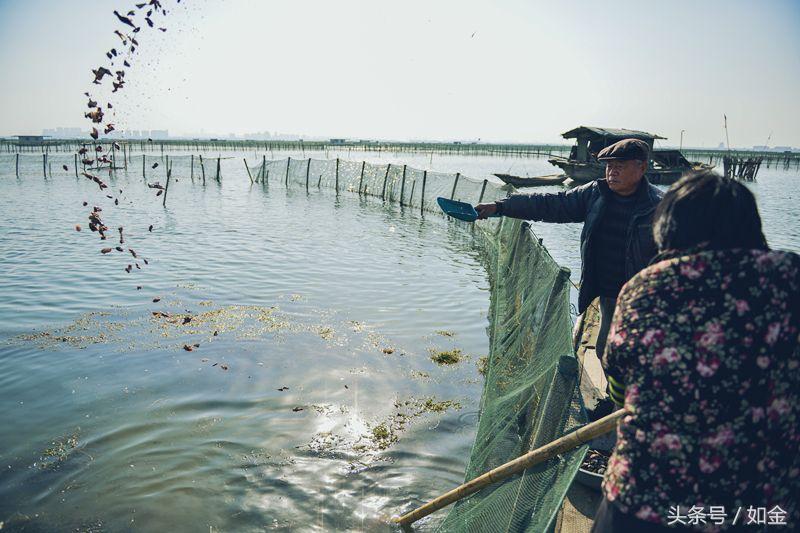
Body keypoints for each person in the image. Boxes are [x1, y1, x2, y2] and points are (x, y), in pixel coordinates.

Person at [594, 171, 799, 531]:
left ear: (668, 228)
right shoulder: (789, 277)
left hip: (646, 500)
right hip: (760, 506)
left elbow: (619, 382)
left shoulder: (643, 288)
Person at [476, 138, 663, 363]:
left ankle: (625, 396)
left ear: (642, 167)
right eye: (609, 166)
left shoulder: (660, 206)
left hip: (641, 293)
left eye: (620, 166)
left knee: (625, 350)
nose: (612, 171)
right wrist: (501, 207)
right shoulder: (596, 193)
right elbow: (551, 204)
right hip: (607, 290)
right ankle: (615, 397)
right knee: (607, 349)